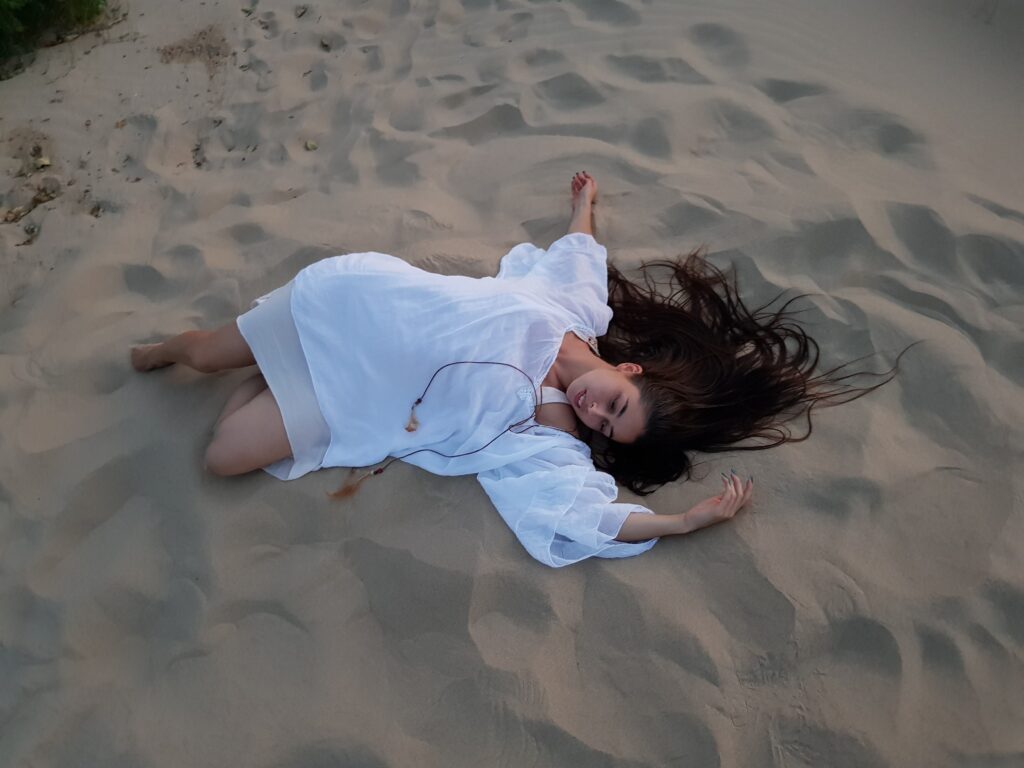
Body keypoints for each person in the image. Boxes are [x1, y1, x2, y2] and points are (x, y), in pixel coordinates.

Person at [131, 172, 894, 567]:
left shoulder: (551, 435)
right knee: (198, 353)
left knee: (223, 456)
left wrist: (682, 522)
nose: (595, 413)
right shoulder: (573, 309)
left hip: (359, 395)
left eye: (608, 429)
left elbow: (580, 513)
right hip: (354, 303)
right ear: (628, 367)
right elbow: (578, 254)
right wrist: (585, 203)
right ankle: (168, 350)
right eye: (615, 402)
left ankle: (269, 373)